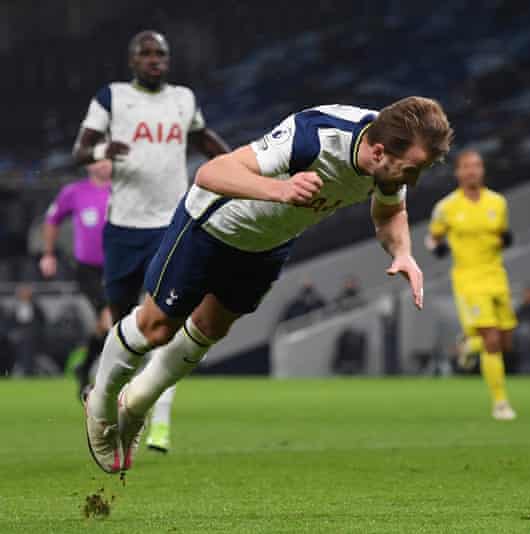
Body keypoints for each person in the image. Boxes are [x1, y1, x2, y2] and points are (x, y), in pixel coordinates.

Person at [83, 96, 452, 474]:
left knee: (210, 328)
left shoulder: (391, 163)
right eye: (411, 170)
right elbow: (212, 173)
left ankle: (137, 404)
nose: (412, 179)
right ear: (378, 151)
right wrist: (281, 190)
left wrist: (402, 252)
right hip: (211, 226)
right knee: (157, 328)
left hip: (268, 244)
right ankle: (101, 402)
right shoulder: (315, 136)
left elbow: (390, 211)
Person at [72, 30, 230, 453]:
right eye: (146, 53)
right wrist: (107, 147)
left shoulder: (183, 99)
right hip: (123, 228)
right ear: (132, 60)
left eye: (161, 53)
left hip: (172, 225)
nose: (155, 59)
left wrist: (242, 164)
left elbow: (202, 139)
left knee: (168, 323)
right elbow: (81, 151)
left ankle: (159, 421)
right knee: (121, 324)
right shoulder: (112, 97)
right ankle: (106, 398)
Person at [426, 149, 518, 421]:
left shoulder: (498, 203)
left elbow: (503, 234)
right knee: (491, 338)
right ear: (458, 172)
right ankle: (500, 403)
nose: (472, 171)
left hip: (496, 276)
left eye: (476, 166)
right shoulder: (446, 207)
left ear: (482, 170)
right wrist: (438, 249)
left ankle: (468, 346)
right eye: (466, 166)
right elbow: (432, 239)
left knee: (505, 341)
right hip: (468, 279)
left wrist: (505, 239)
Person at [40, 160, 112, 397]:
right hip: (88, 269)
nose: (103, 165)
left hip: (120, 267)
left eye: (107, 159)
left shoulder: (124, 190)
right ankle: (106, 377)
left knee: (106, 325)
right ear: (89, 165)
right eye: (98, 160)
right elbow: (52, 220)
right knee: (110, 319)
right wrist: (48, 254)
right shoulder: (74, 192)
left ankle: (85, 367)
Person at [7, 284, 46, 376]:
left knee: (27, 343)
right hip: (18, 335)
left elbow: (41, 323)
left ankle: (27, 369)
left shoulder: (36, 308)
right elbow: (10, 324)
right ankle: (24, 368)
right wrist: (12, 333)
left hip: (33, 335)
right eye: (22, 293)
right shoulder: (14, 308)